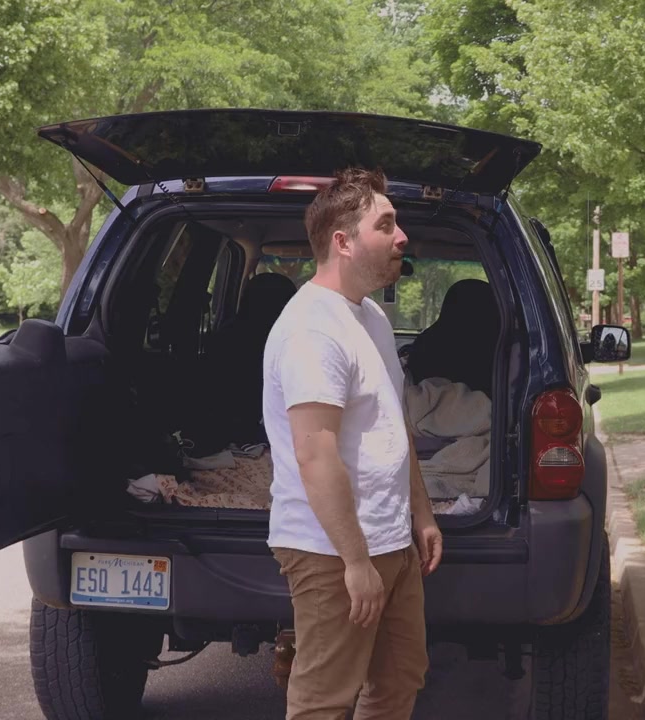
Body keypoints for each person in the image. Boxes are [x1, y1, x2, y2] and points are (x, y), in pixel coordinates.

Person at [262, 167, 444, 720]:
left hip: (389, 538)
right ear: (343, 242)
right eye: (385, 224)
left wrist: (420, 513)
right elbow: (315, 454)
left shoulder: (371, 316)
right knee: (324, 699)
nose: (402, 236)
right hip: (331, 550)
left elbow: (392, 422)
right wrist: (356, 561)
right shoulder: (311, 330)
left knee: (400, 676)